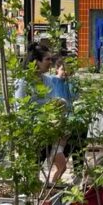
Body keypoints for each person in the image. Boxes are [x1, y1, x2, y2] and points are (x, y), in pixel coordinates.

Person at [15, 43, 67, 185]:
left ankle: (50, 188)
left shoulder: (47, 80)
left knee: (55, 166)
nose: (51, 63)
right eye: (47, 59)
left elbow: (53, 102)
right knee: (32, 173)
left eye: (51, 59)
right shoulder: (23, 82)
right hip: (30, 133)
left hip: (47, 131)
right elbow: (21, 110)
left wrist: (60, 103)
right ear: (36, 62)